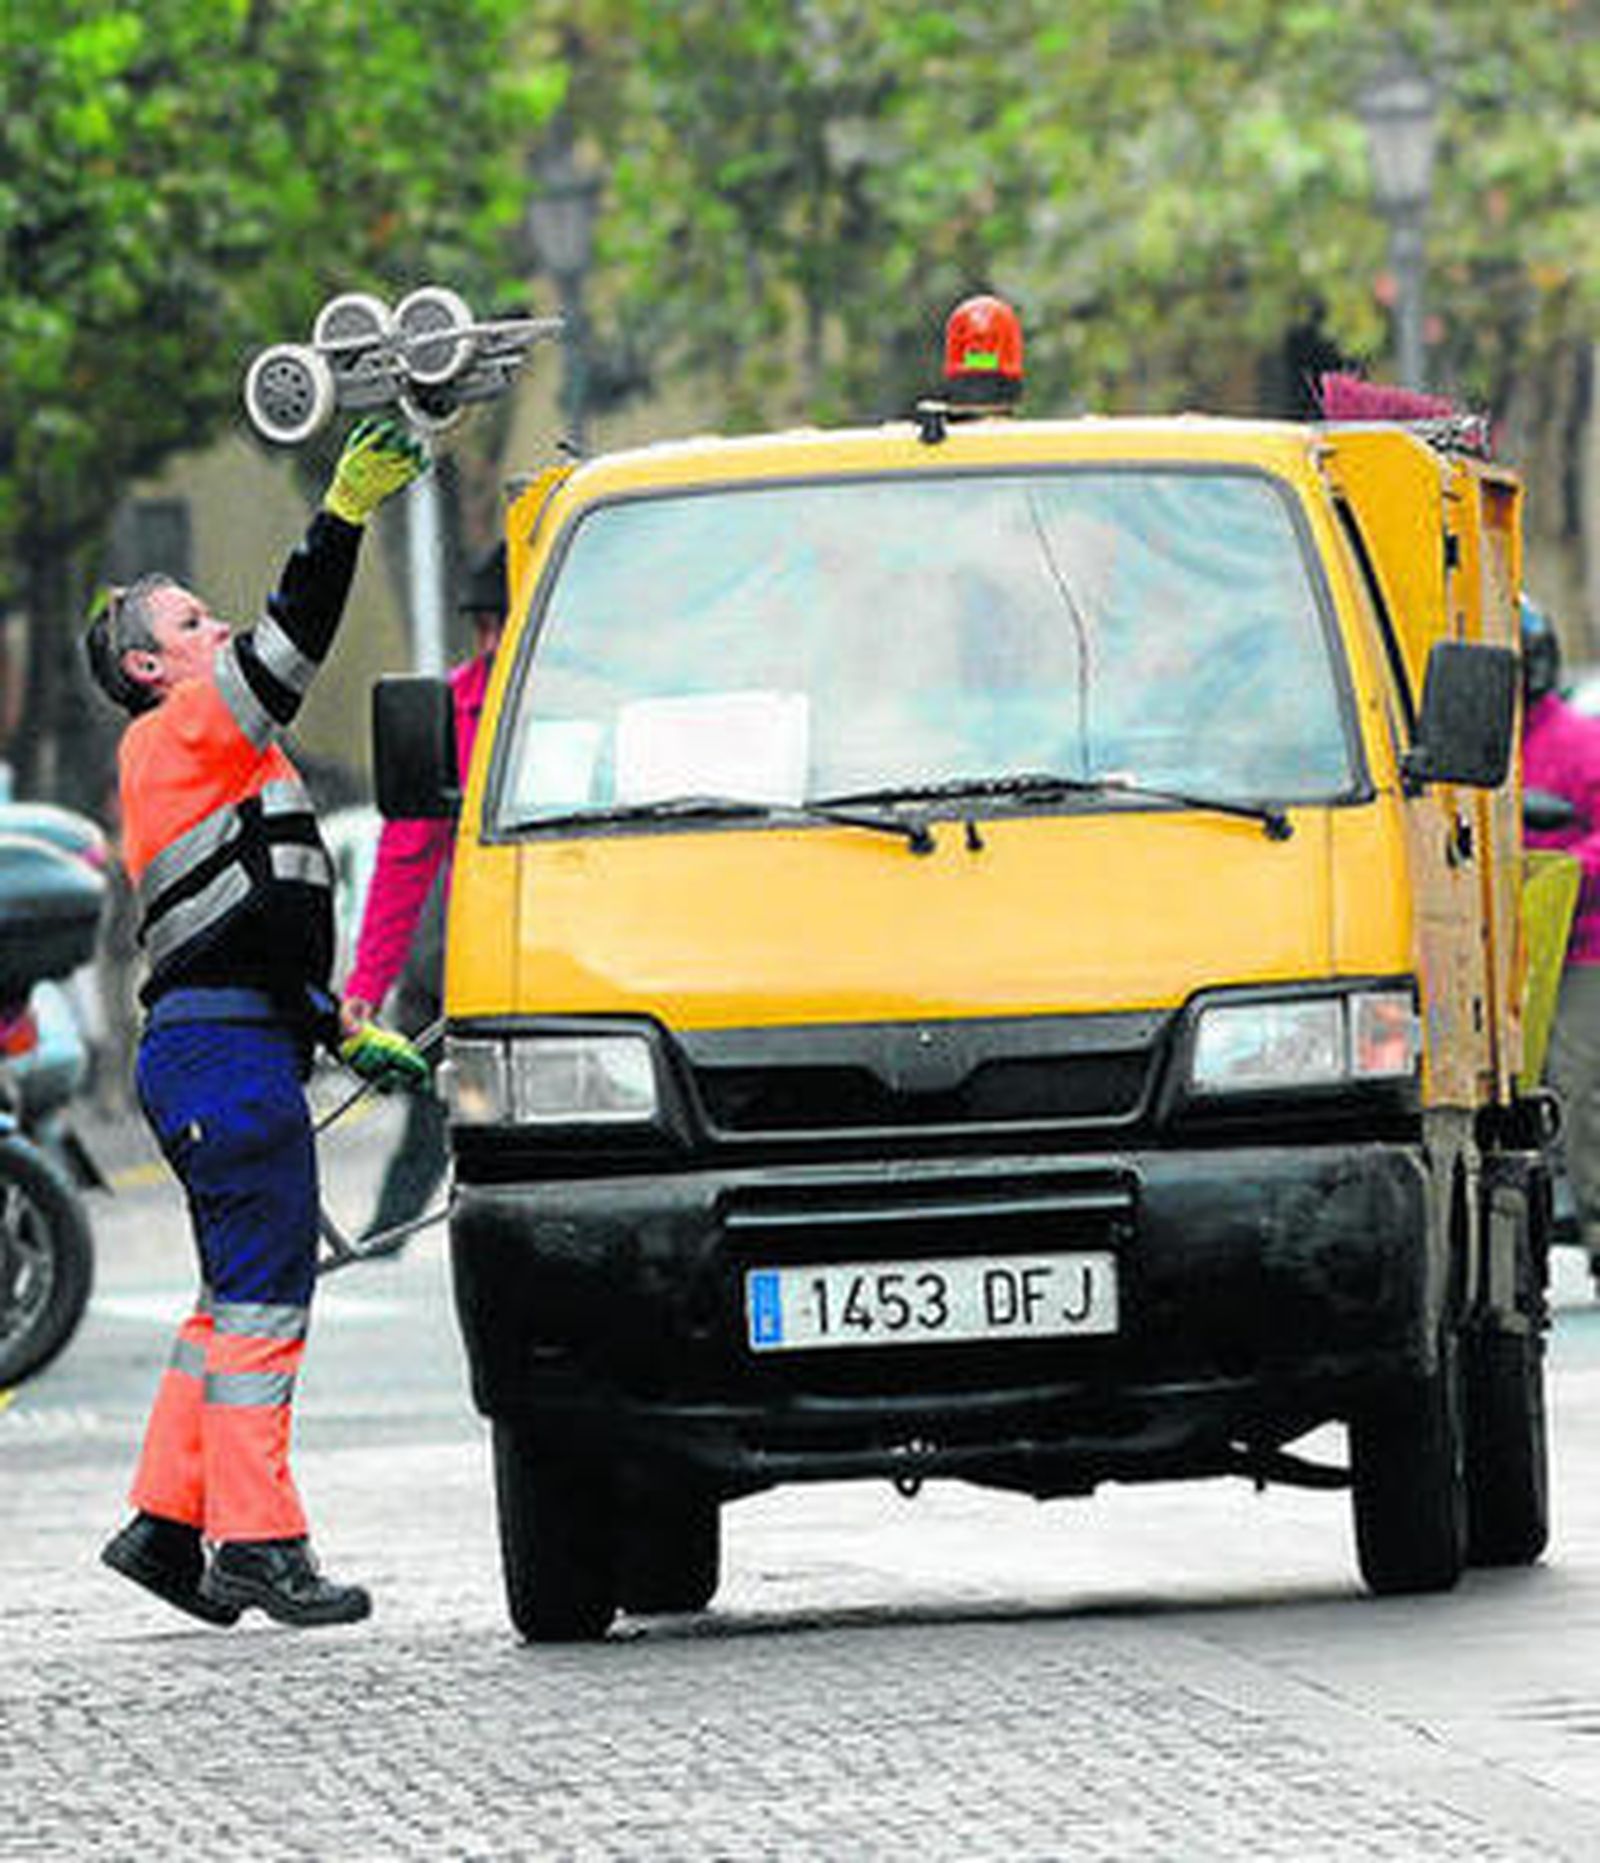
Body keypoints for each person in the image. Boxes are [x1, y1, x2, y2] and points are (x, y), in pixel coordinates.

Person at [87, 417, 431, 1630]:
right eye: (192, 624)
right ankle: (259, 1546)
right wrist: (340, 518)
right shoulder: (182, 734)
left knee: (229, 1295)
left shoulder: (230, 763)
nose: (220, 627)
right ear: (150, 668)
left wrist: (338, 1031)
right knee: (264, 1303)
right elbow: (293, 641)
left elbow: (252, 926)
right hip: (223, 1059)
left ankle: (164, 1524)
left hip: (225, 1048)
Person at [341, 542, 507, 1243]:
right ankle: (384, 1238)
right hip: (456, 973)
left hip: (566, 962)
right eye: (483, 628)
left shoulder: (589, 701)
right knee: (435, 1117)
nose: (492, 645)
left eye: (504, 625)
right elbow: (404, 858)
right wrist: (364, 987)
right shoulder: (450, 710)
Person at [1521, 592, 1600, 1264]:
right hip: (1497, 957)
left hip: (1583, 949)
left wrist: (1569, 870)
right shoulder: (1476, 745)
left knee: (1576, 1087)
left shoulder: (1580, 743)